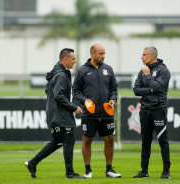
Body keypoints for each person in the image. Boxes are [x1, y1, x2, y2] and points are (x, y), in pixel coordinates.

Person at [25, 48, 85, 179]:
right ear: (65, 59)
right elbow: (58, 96)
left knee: (57, 141)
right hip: (61, 115)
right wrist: (73, 107)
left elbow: (49, 92)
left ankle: (32, 163)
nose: (75, 61)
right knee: (69, 140)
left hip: (55, 114)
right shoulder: (61, 75)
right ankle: (69, 173)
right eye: (73, 59)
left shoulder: (57, 73)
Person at [73, 44, 121, 178]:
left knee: (110, 138)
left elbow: (114, 89)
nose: (103, 56)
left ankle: (109, 169)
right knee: (87, 139)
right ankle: (88, 170)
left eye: (104, 53)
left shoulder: (108, 69)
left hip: (106, 112)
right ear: (92, 53)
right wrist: (85, 101)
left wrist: (113, 99)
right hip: (89, 113)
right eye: (100, 53)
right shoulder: (82, 70)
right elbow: (76, 91)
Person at [133, 46, 171, 179]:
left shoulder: (163, 70)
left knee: (163, 141)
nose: (141, 57)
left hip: (158, 109)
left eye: (144, 55)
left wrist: (148, 76)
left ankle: (166, 171)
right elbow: (136, 90)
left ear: (152, 56)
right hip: (145, 110)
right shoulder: (142, 71)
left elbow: (157, 87)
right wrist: (150, 90)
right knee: (145, 142)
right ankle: (144, 171)